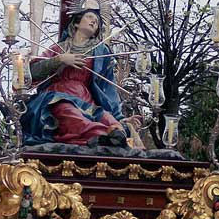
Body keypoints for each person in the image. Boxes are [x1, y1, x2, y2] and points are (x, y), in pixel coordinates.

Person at [22, 8, 139, 148]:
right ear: (76, 23)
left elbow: (108, 87)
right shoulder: (59, 48)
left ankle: (115, 135)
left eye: (97, 22)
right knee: (69, 114)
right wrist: (60, 60)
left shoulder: (100, 52)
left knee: (107, 119)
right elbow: (32, 73)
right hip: (58, 95)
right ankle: (102, 137)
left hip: (84, 98)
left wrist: (120, 119)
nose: (94, 21)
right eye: (89, 17)